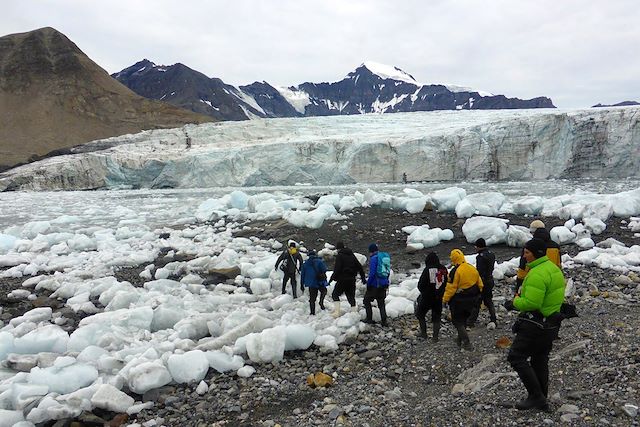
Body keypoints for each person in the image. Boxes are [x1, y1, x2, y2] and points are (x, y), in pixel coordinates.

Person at [504, 238, 565, 411]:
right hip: (551, 323)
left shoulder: (537, 273)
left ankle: (535, 396)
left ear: (536, 253)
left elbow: (532, 303)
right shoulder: (552, 268)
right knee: (539, 359)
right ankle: (541, 398)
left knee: (516, 357)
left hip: (536, 324)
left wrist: (514, 302)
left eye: (527, 252)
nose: (524, 255)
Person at [442, 249, 483, 350]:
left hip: (459, 301)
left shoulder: (455, 271)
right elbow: (480, 284)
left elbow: (450, 288)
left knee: (457, 322)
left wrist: (444, 300)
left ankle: (467, 342)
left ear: (453, 258)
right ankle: (459, 340)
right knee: (464, 319)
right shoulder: (471, 268)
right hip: (472, 299)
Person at [515, 220, 561, 294]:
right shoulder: (555, 246)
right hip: (552, 279)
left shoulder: (530, 246)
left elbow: (523, 266)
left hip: (534, 279)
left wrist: (519, 284)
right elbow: (558, 265)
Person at [415, 252, 448, 341]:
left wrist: (424, 293)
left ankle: (424, 333)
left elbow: (421, 284)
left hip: (427, 297)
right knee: (436, 317)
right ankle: (435, 337)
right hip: (438, 297)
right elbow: (446, 283)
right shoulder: (443, 269)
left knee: (420, 314)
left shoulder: (428, 269)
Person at [329, 241, 366, 318]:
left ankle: (337, 312)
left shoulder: (340, 256)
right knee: (351, 296)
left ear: (338, 249)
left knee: (335, 294)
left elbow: (337, 269)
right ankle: (354, 313)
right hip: (352, 279)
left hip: (342, 279)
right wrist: (363, 278)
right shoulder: (351, 255)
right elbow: (359, 267)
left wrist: (332, 279)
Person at [467, 238, 497, 329]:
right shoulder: (491, 254)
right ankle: (493, 318)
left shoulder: (480, 257)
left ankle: (471, 321)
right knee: (488, 300)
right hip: (490, 279)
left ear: (479, 246)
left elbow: (479, 271)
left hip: (483, 281)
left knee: (477, 301)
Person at [363, 243, 390, 326]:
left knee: (366, 300)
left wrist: (368, 284)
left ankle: (369, 319)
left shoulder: (374, 259)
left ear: (371, 251)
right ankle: (384, 321)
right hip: (383, 283)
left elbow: (372, 273)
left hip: (375, 284)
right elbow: (387, 271)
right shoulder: (384, 258)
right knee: (381, 303)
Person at [301, 249, 329, 315]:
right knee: (324, 291)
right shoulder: (319, 261)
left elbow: (303, 275)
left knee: (312, 298)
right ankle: (321, 302)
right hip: (319, 282)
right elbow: (324, 269)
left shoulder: (305, 264)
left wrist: (302, 284)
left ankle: (312, 312)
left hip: (311, 283)